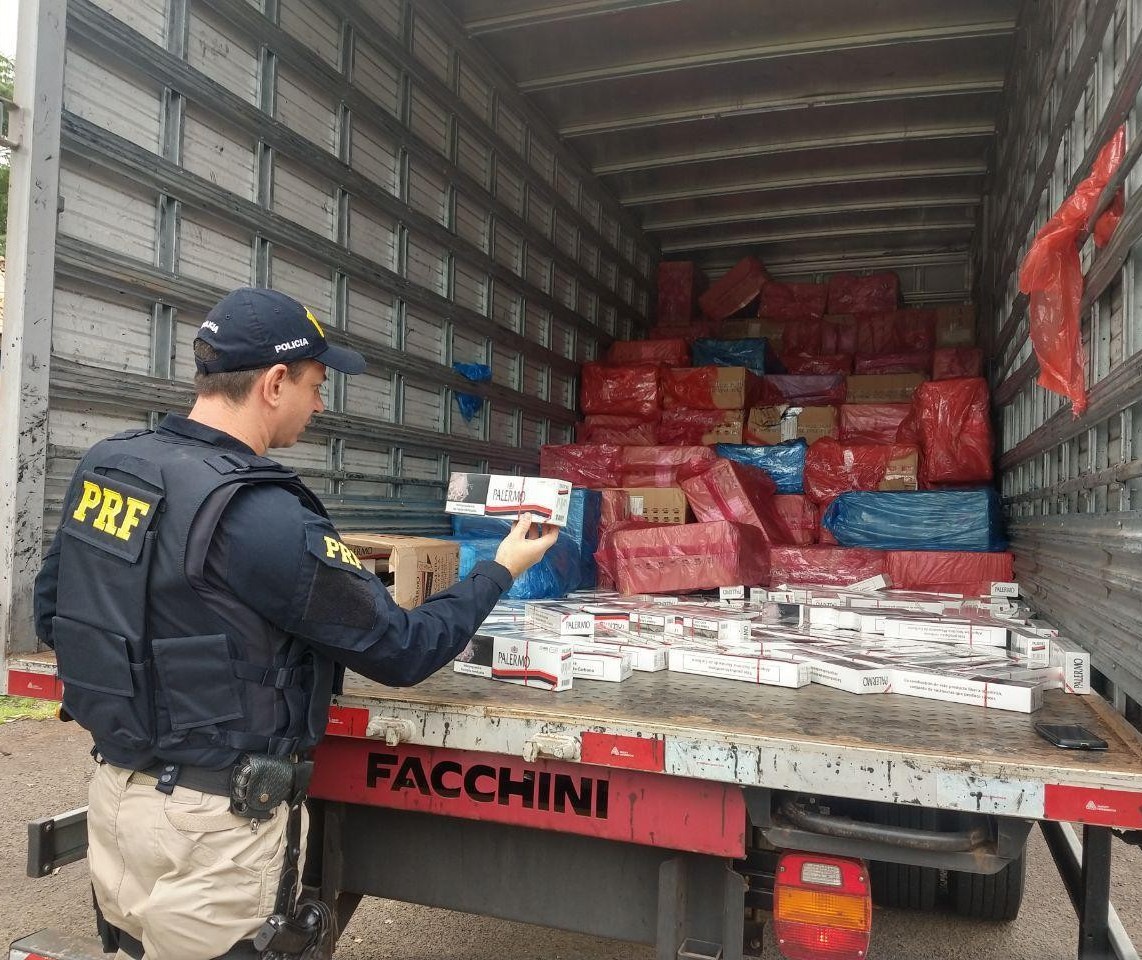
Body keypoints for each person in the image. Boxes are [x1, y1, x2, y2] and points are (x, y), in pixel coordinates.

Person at [32, 287, 559, 960]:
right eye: (315, 385)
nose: (320, 404)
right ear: (274, 384)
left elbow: (56, 612)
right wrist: (502, 567)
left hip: (117, 800)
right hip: (213, 834)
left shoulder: (111, 464)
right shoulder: (261, 515)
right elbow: (401, 650)